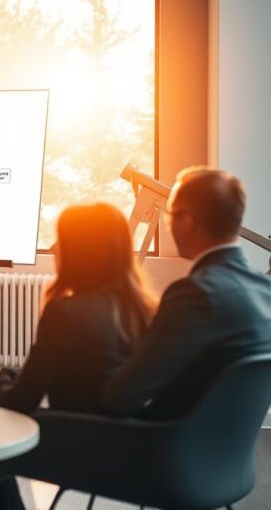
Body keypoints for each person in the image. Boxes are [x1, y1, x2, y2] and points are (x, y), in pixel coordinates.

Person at [0, 203, 157, 510]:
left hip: (73, 442)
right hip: (120, 442)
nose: (52, 247)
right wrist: (2, 375)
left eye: (61, 239)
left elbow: (21, 401)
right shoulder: (140, 309)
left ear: (82, 250)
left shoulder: (67, 311)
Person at [104, 167, 271, 418]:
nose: (168, 223)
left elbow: (121, 397)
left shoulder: (195, 294)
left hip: (164, 438)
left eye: (170, 214)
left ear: (187, 221)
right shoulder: (264, 289)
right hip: (230, 441)